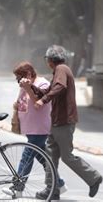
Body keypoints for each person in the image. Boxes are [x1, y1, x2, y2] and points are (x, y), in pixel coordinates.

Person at [20, 45, 103, 200]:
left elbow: (59, 87)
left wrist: (43, 100)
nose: (47, 62)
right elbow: (48, 90)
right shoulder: (59, 71)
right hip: (57, 121)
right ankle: (52, 190)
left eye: (46, 59)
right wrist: (30, 86)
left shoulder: (62, 70)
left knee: (67, 156)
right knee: (50, 156)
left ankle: (93, 177)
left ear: (50, 60)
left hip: (64, 121)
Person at [4, 61, 67, 197]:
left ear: (28, 74)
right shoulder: (25, 85)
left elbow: (38, 104)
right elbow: (22, 104)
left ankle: (17, 187)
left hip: (39, 128)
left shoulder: (42, 84)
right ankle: (59, 184)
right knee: (42, 157)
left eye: (19, 77)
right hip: (31, 128)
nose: (18, 81)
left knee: (27, 156)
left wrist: (28, 89)